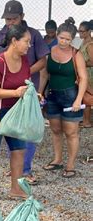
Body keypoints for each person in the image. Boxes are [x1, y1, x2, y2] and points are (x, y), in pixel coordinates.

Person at [0, 0, 49, 185]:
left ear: (22, 17)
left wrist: (23, 74)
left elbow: (43, 60)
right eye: (7, 19)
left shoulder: (33, 35)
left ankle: (25, 170)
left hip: (24, 94)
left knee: (26, 132)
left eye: (13, 18)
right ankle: (2, 177)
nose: (10, 22)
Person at [0, 24, 31, 198]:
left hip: (15, 111)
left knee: (19, 149)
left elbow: (26, 83)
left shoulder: (25, 61)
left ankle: (15, 189)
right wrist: (15, 93)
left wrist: (33, 94)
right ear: (14, 41)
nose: (28, 45)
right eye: (26, 41)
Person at [39, 18, 88, 178]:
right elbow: (45, 74)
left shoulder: (76, 54)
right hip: (53, 94)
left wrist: (78, 99)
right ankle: (57, 159)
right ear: (57, 36)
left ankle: (70, 164)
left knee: (71, 132)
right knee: (55, 130)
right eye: (61, 38)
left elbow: (83, 78)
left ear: (72, 39)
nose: (64, 42)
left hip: (70, 95)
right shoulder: (50, 52)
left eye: (68, 39)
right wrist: (40, 92)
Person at [78, 20, 93, 128]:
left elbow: (92, 61)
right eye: (79, 31)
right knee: (84, 96)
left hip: (89, 73)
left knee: (87, 97)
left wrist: (81, 64)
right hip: (83, 72)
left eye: (83, 32)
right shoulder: (83, 42)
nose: (80, 33)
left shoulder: (90, 45)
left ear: (89, 31)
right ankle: (85, 119)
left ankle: (87, 121)